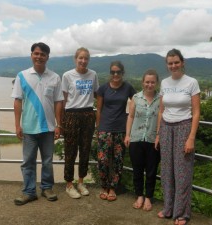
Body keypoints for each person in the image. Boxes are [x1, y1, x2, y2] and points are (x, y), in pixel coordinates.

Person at [11, 42, 64, 205]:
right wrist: (17, 125)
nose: (39, 57)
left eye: (43, 54)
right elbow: (18, 101)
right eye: (36, 53)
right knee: (28, 162)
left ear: (47, 57)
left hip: (48, 128)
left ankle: (47, 188)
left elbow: (58, 103)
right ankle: (29, 191)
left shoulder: (54, 77)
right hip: (29, 128)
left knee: (47, 161)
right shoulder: (22, 76)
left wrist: (58, 125)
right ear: (31, 55)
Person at [155, 49, 200, 225]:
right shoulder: (165, 82)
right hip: (166, 127)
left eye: (176, 62)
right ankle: (168, 208)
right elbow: (161, 110)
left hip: (184, 127)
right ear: (167, 65)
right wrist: (158, 133)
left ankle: (182, 213)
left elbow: (196, 113)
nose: (173, 65)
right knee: (166, 170)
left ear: (182, 62)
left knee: (182, 172)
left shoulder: (191, 82)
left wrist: (191, 137)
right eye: (170, 63)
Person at [61, 47, 99, 199]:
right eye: (80, 58)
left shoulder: (93, 75)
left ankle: (81, 182)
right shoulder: (67, 76)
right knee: (70, 151)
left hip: (88, 113)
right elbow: (63, 99)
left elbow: (97, 95)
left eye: (86, 58)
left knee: (85, 150)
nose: (83, 61)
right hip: (71, 114)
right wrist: (62, 121)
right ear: (75, 59)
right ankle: (69, 184)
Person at [96, 61, 136, 201]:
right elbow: (99, 109)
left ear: (122, 73)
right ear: (110, 73)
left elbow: (136, 102)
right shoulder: (103, 88)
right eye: (113, 72)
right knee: (103, 159)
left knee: (118, 160)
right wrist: (98, 127)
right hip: (105, 128)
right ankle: (104, 186)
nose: (115, 74)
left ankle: (113, 187)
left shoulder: (128, 88)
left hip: (120, 128)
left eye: (118, 72)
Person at [124, 69, 161, 211]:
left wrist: (158, 135)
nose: (149, 85)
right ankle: (139, 195)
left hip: (153, 139)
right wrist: (128, 135)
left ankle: (148, 197)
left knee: (151, 171)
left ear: (156, 83)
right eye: (147, 82)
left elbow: (161, 118)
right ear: (143, 82)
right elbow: (131, 116)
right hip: (136, 138)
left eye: (152, 82)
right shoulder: (136, 98)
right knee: (137, 169)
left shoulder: (160, 99)